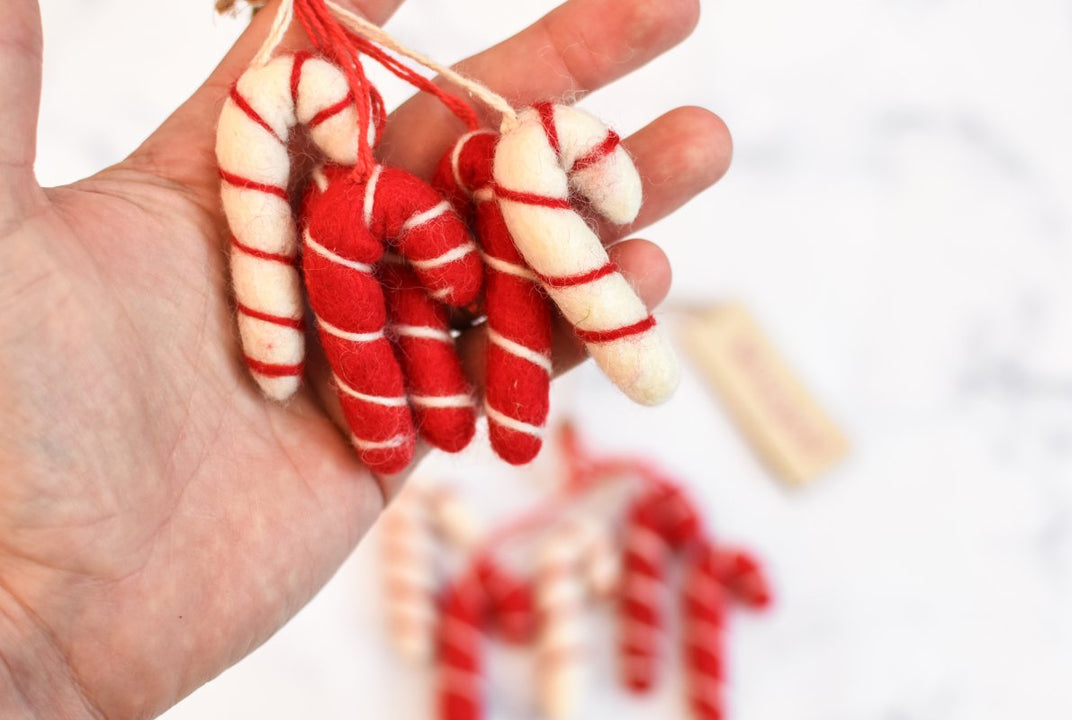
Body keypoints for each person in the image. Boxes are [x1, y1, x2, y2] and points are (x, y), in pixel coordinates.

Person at [0, 0, 731, 716]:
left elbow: (456, 273)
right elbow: (439, 274)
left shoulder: (454, 170)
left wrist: (32, 658)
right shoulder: (328, 185)